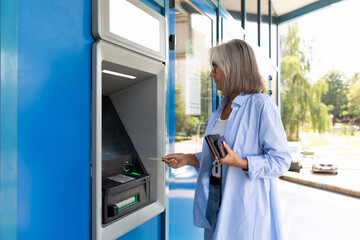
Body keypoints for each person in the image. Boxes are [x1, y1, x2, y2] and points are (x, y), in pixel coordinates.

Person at [162, 39, 291, 240]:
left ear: (233, 68)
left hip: (244, 207)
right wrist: (188, 158)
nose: (211, 74)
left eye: (215, 68)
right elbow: (220, 156)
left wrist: (240, 162)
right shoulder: (220, 109)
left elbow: (281, 161)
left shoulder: (261, 106)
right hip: (215, 200)